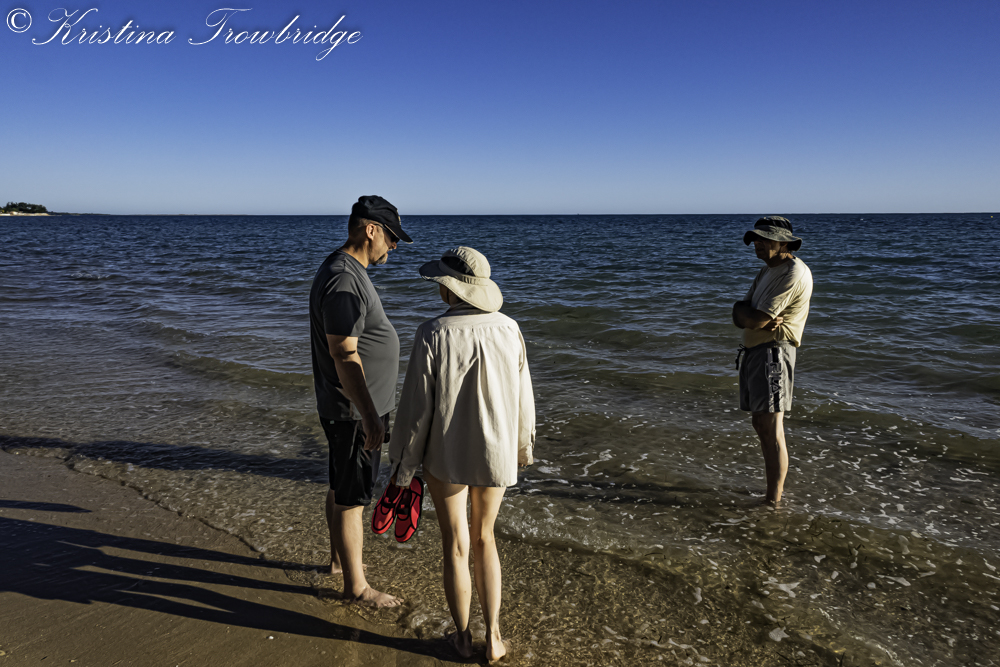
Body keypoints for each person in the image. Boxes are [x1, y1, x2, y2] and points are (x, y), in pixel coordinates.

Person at [388, 247, 535, 662]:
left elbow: (417, 410)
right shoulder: (510, 328)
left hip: (446, 452)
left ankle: (463, 638)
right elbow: (524, 398)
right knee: (485, 537)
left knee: (455, 543)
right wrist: (522, 447)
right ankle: (495, 639)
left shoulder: (432, 332)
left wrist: (403, 468)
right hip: (496, 450)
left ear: (450, 289)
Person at [308, 195, 412, 608]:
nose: (395, 245)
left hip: (347, 408)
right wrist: (369, 415)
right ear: (371, 230)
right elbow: (344, 352)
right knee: (352, 498)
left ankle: (339, 563)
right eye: (392, 236)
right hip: (353, 410)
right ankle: (356, 588)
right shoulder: (345, 279)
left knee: (341, 487)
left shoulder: (344, 270)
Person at [732, 216, 813, 505]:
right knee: (761, 423)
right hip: (757, 351)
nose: (757, 243)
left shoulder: (793, 272)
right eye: (755, 239)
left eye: (765, 239)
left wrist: (751, 317)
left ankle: (773, 501)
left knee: (771, 427)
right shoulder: (767, 270)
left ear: (784, 243)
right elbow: (739, 313)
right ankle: (772, 497)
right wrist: (746, 315)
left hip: (774, 352)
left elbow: (755, 318)